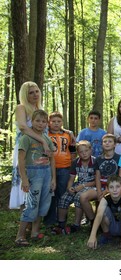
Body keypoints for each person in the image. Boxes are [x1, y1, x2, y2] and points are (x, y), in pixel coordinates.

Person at [15, 110, 56, 246]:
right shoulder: (26, 138)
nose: (40, 124)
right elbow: (20, 160)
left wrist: (53, 178)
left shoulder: (47, 139)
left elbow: (52, 159)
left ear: (47, 124)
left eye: (43, 121)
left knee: (43, 203)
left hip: (46, 173)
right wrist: (24, 179)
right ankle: (20, 235)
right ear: (31, 121)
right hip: (33, 174)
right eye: (37, 121)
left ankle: (34, 232)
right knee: (32, 204)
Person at [10, 81, 50, 210]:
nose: (35, 94)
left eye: (36, 91)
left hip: (39, 151)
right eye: (31, 92)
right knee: (25, 181)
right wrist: (42, 141)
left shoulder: (40, 110)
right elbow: (23, 127)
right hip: (25, 149)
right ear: (25, 95)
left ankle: (33, 222)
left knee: (36, 182)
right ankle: (24, 219)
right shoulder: (21, 107)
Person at [54, 140, 96, 234]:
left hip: (91, 186)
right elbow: (71, 179)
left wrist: (83, 186)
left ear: (91, 150)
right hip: (78, 185)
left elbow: (96, 181)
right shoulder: (75, 162)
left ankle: (76, 225)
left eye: (86, 151)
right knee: (64, 198)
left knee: (78, 197)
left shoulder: (95, 161)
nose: (84, 153)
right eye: (81, 152)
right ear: (78, 153)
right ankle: (61, 224)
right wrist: (69, 188)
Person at [79, 133, 121, 227]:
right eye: (105, 141)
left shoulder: (119, 158)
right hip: (100, 187)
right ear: (102, 144)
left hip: (114, 188)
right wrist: (99, 192)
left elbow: (120, 177)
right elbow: (97, 177)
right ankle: (93, 221)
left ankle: (110, 222)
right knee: (83, 197)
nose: (107, 143)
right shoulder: (98, 159)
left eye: (110, 141)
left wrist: (107, 191)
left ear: (115, 144)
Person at [44, 111, 77, 227]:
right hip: (49, 168)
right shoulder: (45, 134)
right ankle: (49, 220)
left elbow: (73, 150)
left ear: (62, 122)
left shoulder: (67, 134)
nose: (56, 124)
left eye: (59, 121)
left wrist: (72, 164)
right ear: (49, 123)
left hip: (65, 167)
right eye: (53, 121)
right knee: (50, 194)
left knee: (62, 194)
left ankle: (62, 219)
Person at [87, 175, 121, 250]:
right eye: (111, 187)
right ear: (107, 189)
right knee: (102, 211)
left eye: (117, 187)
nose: (114, 190)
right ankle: (107, 235)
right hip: (111, 227)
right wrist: (92, 235)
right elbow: (99, 215)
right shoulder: (105, 199)